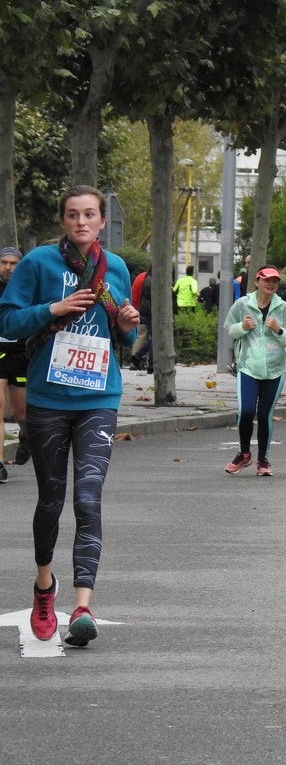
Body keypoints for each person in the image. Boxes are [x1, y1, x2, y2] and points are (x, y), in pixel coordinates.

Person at [0, 185, 140, 646]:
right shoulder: (39, 263)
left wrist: (125, 324)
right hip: (48, 398)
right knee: (50, 501)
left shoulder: (114, 268)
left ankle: (83, 607)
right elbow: (7, 322)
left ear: (102, 221)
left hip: (99, 396)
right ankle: (45, 587)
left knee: (88, 497)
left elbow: (123, 340)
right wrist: (53, 308)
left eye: (90, 215)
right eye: (73, 215)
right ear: (63, 221)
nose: (82, 222)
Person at [223, 266, 286, 476]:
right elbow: (229, 328)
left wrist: (278, 330)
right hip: (248, 367)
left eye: (274, 281)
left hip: (275, 370)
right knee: (246, 411)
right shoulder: (242, 304)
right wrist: (242, 327)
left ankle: (263, 460)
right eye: (266, 280)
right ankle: (244, 453)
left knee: (265, 415)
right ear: (257, 281)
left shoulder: (282, 307)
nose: (271, 284)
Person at [0, 246, 30, 480]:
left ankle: (26, 436)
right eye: (4, 263)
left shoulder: (27, 289)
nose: (8, 267)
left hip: (20, 353)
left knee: (21, 411)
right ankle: (0, 463)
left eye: (13, 263)